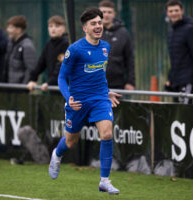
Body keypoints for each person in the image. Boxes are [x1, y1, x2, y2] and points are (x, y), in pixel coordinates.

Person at [48, 7, 121, 195]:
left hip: (99, 99)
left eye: (99, 22)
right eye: (93, 24)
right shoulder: (74, 50)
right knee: (71, 142)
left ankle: (104, 180)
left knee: (106, 134)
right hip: (78, 102)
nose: (98, 26)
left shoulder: (106, 47)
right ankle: (57, 154)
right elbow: (62, 78)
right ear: (85, 29)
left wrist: (107, 92)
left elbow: (99, 75)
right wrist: (68, 98)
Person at [165, 0, 193, 104]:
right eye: (171, 11)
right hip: (176, 81)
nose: (174, 13)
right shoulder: (171, 31)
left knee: (185, 110)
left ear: (182, 11)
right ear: (167, 13)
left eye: (176, 10)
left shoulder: (190, 29)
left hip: (188, 79)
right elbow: (175, 58)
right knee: (178, 113)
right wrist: (170, 78)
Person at [99, 0, 135, 90]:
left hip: (117, 85)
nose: (106, 15)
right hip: (95, 84)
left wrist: (130, 82)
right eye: (103, 12)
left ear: (114, 14)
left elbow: (130, 58)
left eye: (109, 12)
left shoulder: (123, 33)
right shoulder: (91, 32)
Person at [27, 16, 69, 92]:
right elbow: (41, 63)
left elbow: (61, 66)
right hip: (53, 88)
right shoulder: (49, 44)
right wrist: (32, 79)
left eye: (57, 26)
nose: (53, 29)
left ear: (63, 29)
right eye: (50, 26)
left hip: (66, 88)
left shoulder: (67, 44)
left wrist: (49, 82)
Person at [3, 15, 37, 84]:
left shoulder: (27, 45)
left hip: (19, 90)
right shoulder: (10, 43)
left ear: (19, 30)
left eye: (11, 28)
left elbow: (31, 69)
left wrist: (23, 87)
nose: (7, 30)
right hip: (8, 87)